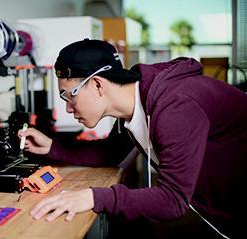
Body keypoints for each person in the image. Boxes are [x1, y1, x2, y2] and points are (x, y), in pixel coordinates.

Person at [18, 39, 247, 238]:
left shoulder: (174, 107)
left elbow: (172, 201)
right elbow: (110, 153)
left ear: (98, 84)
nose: (68, 108)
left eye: (69, 96)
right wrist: (51, 146)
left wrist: (93, 197)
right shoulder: (138, 104)